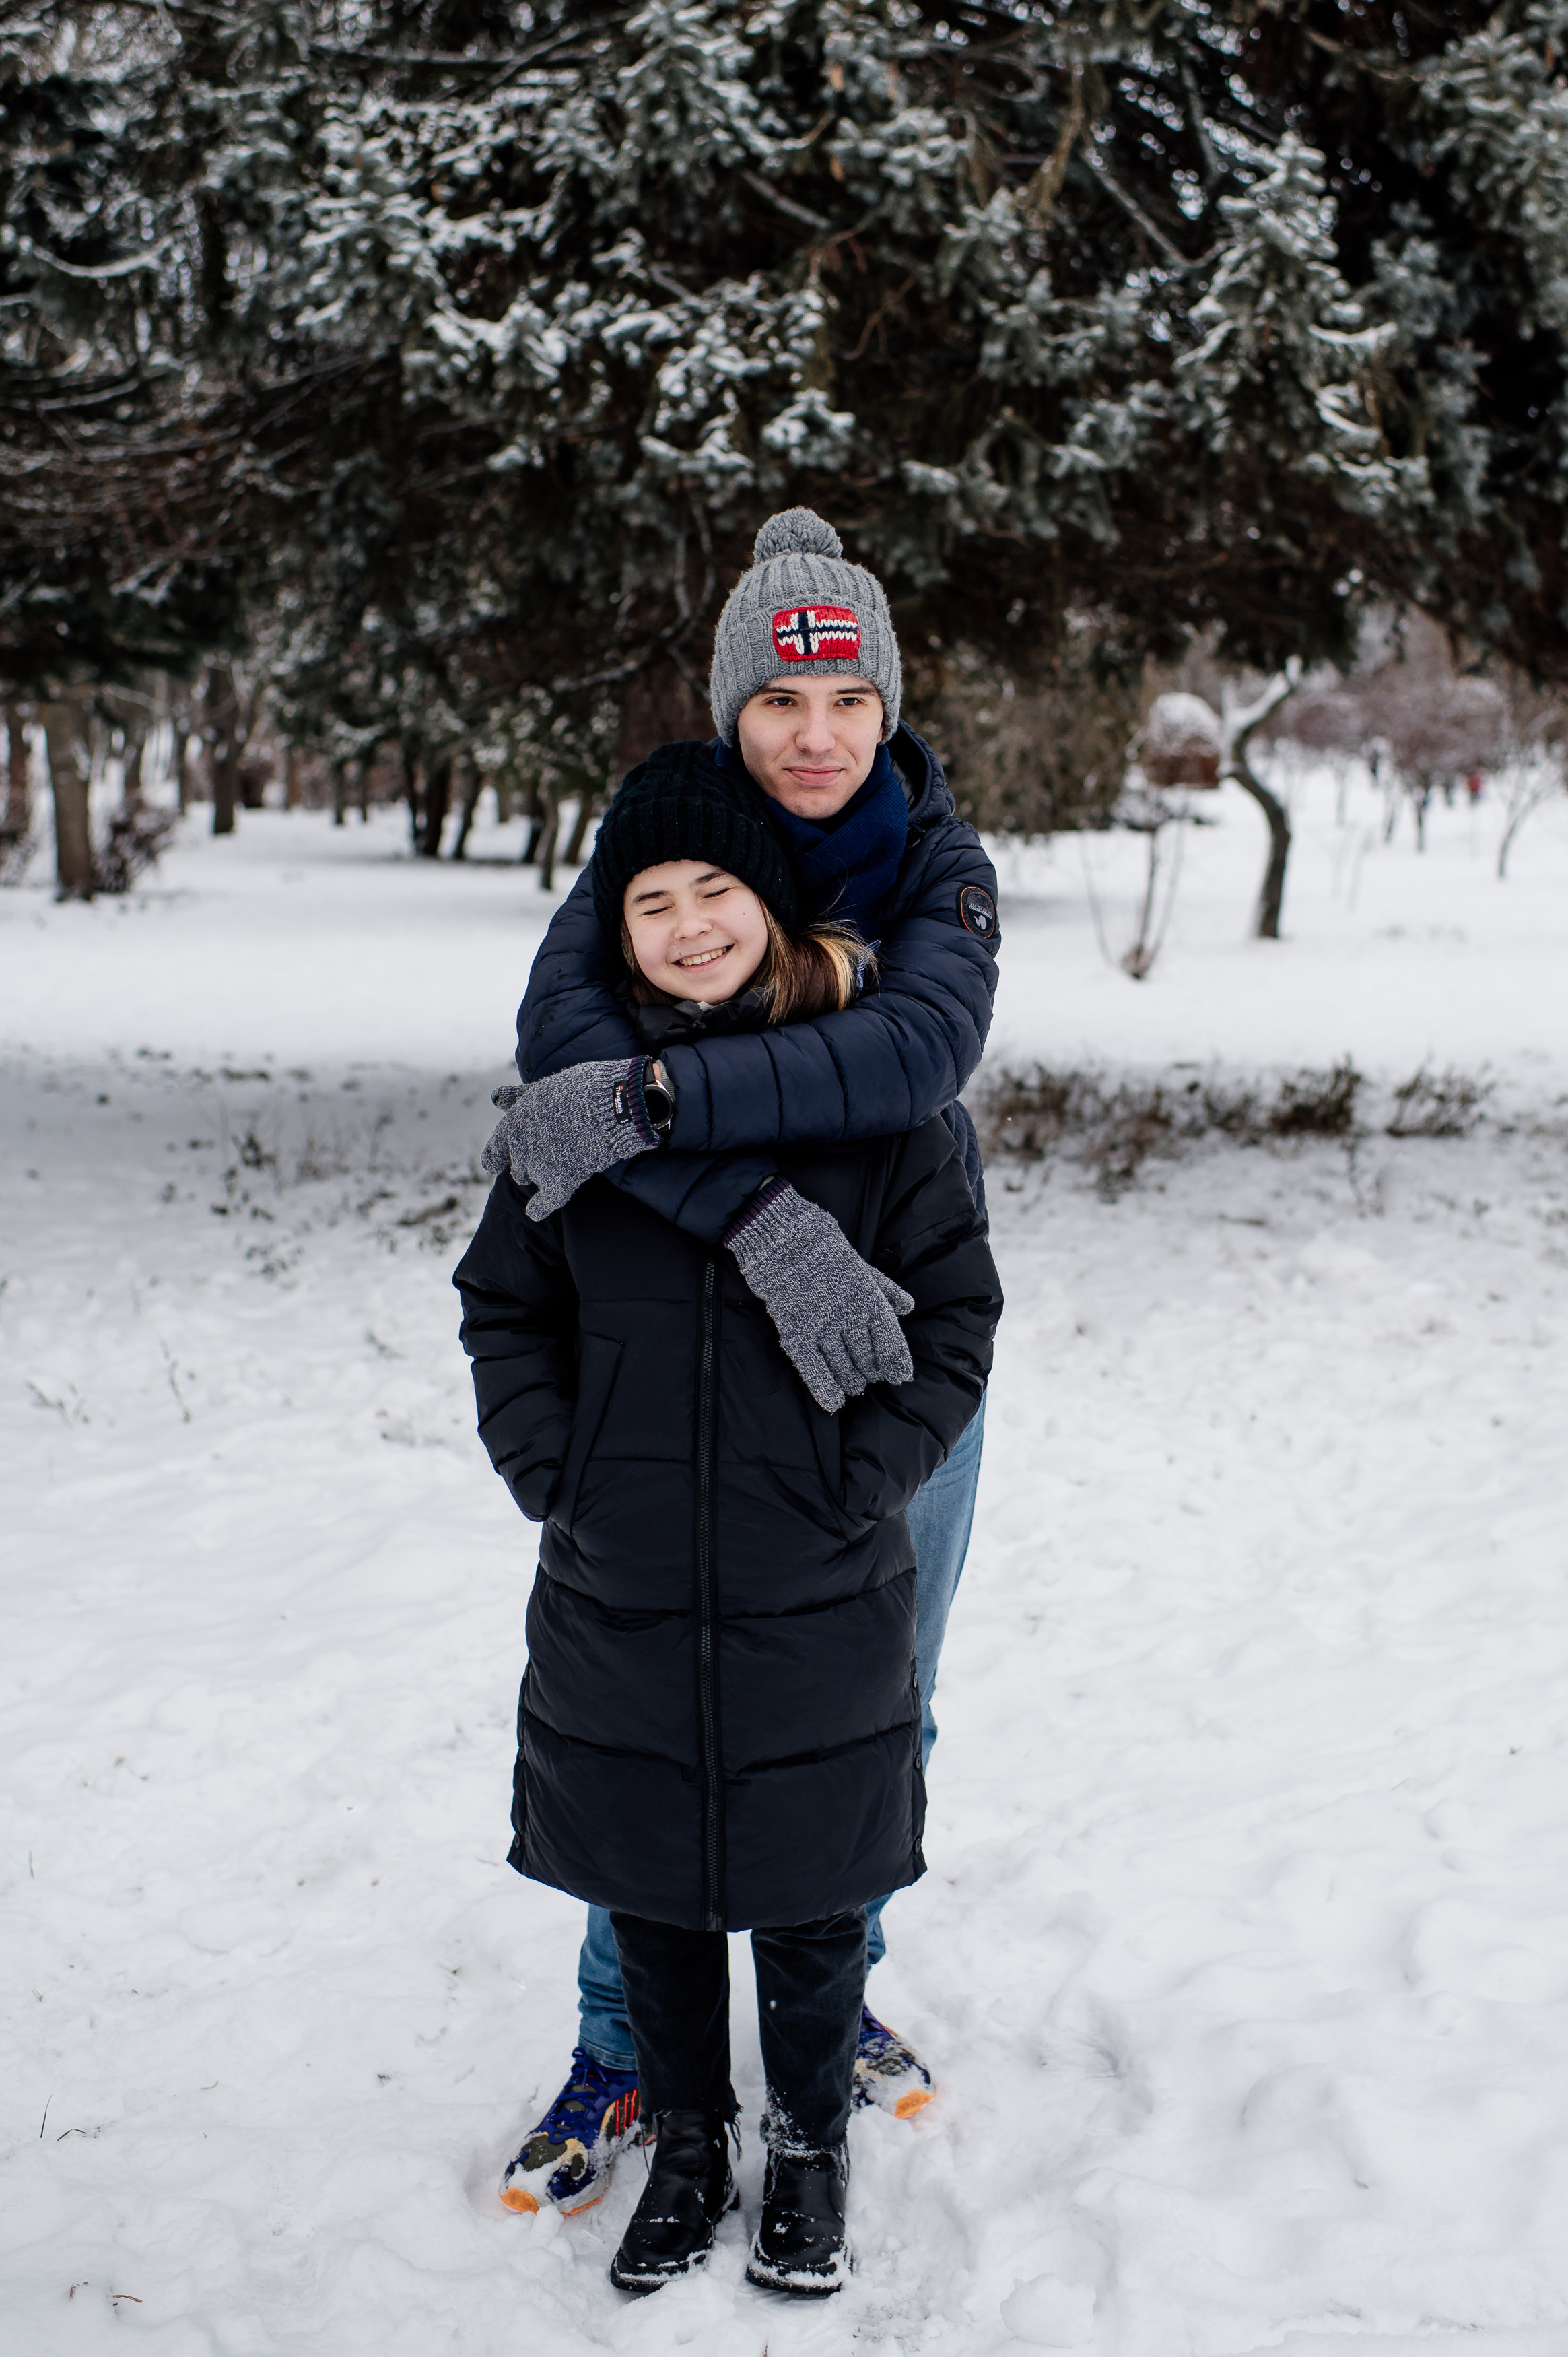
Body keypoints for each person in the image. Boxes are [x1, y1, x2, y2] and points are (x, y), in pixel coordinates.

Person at [480, 507, 1002, 2217]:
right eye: (779, 700)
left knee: (870, 1692)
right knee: (644, 1707)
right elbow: (563, 1058)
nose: (813, 733)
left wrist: (652, 1118)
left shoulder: (937, 863)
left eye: (843, 698)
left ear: (884, 706)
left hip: (875, 1342)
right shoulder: (662, 848)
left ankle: (822, 1996)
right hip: (676, 1351)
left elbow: (909, 1054)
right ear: (730, 712)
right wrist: (757, 1217)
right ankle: (621, 2041)